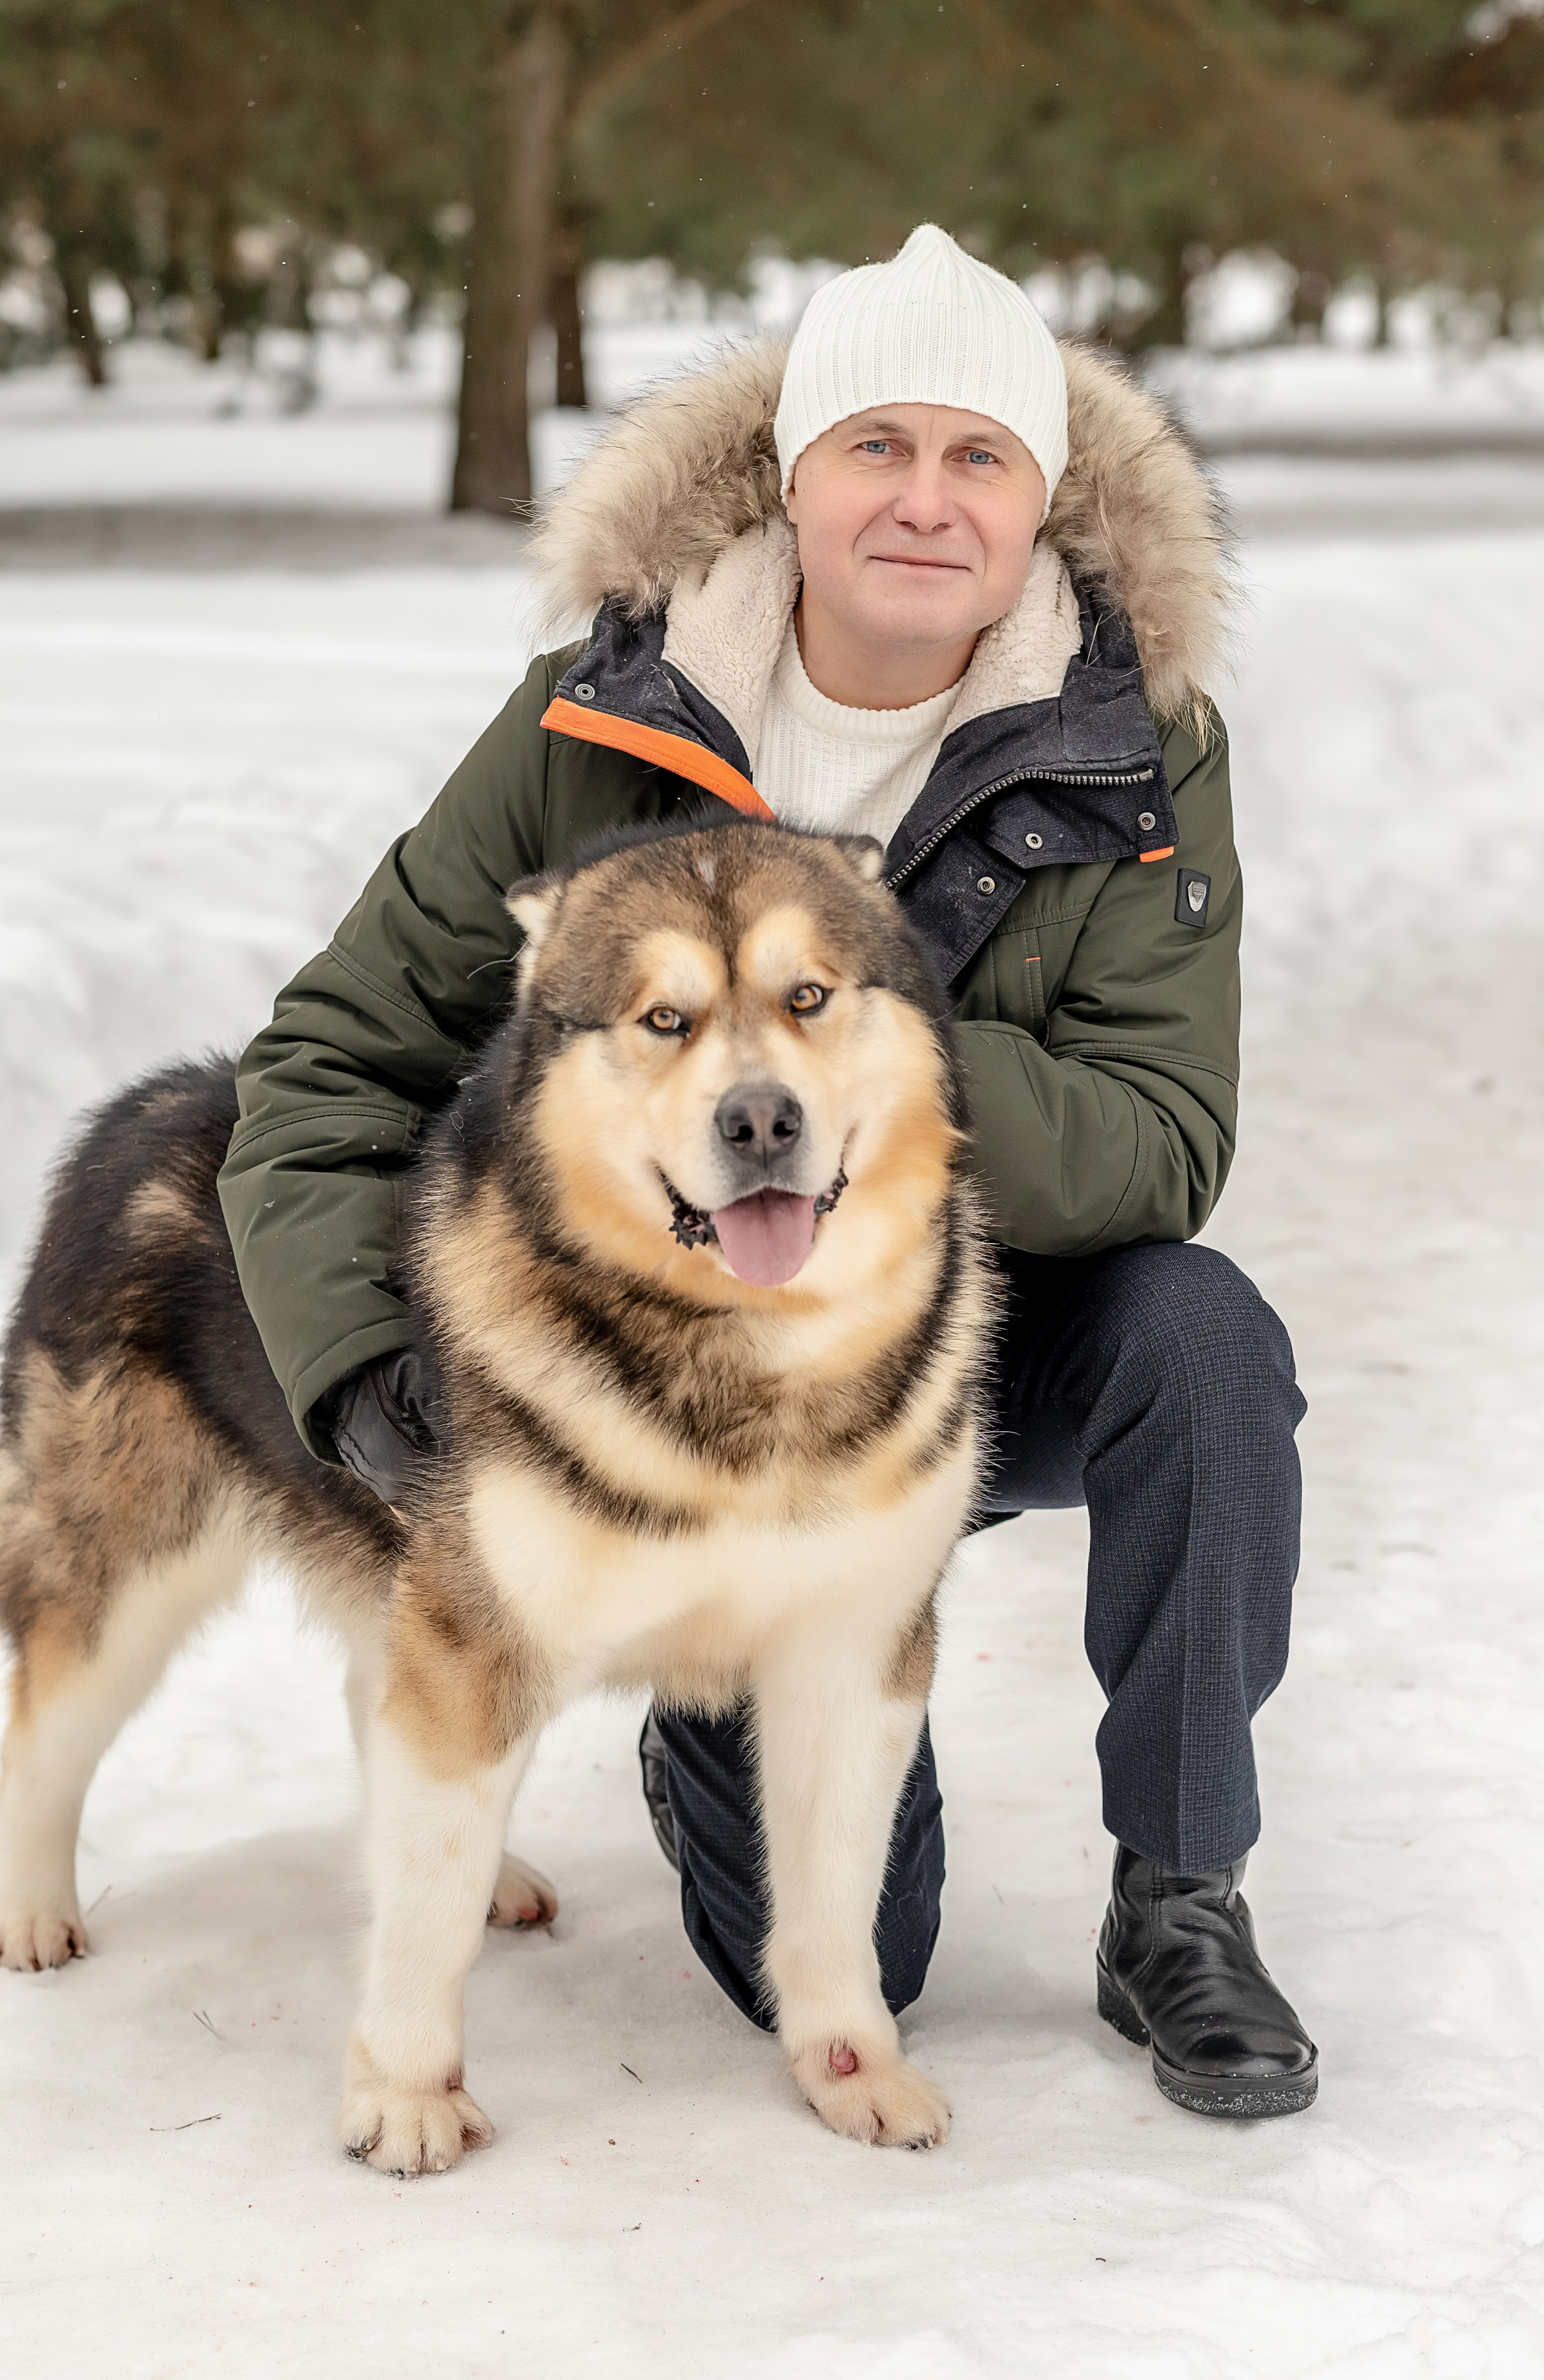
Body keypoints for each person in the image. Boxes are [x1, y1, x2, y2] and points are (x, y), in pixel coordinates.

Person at [218, 225, 1315, 2119]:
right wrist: (367, 1377)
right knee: (851, 1971)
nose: (924, 498)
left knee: (1204, 1341)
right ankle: (708, 1707)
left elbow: (1161, 1139)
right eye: (874, 445)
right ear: (791, 475)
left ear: (1043, 498)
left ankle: (1184, 1889)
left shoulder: (1142, 749)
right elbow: (323, 1064)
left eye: (980, 455)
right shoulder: (603, 715)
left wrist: (858, 1045)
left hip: (971, 1342)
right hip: (677, 1383)